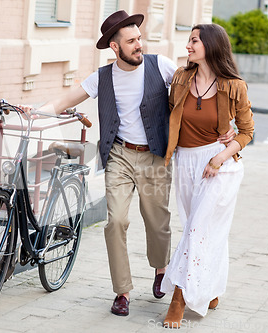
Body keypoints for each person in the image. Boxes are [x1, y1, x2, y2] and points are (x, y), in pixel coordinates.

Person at [20, 11, 233, 317]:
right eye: (131, 41)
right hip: (119, 154)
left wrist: (225, 129)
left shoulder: (160, 66)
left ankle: (161, 270)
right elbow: (65, 100)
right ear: (115, 48)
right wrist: (36, 112)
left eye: (139, 38)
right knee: (116, 221)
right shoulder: (102, 77)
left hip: (154, 154)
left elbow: (196, 88)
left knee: (157, 221)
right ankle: (122, 290)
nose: (138, 45)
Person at [159, 23, 254, 329]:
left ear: (211, 45)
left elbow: (247, 131)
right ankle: (211, 286)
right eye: (189, 40)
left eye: (194, 41)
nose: (188, 46)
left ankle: (179, 298)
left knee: (198, 229)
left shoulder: (234, 85)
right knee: (200, 228)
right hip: (185, 161)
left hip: (219, 164)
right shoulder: (181, 78)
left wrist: (220, 157)